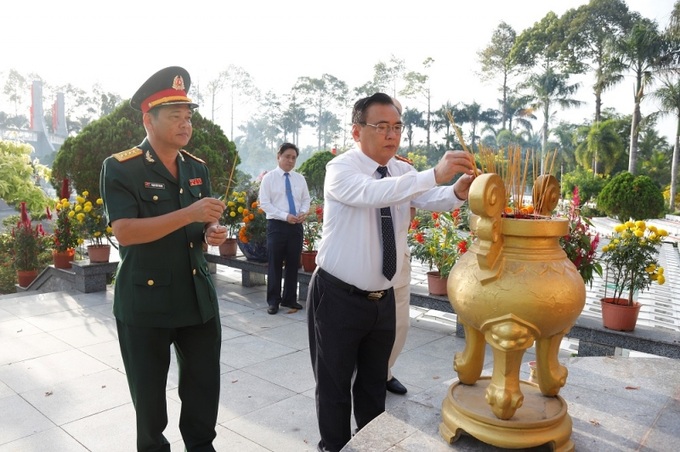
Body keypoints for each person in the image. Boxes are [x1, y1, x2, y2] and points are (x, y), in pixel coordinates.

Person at [307, 92, 476, 452]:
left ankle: (372, 444)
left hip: (382, 300)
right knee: (334, 384)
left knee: (372, 385)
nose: (391, 134)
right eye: (381, 126)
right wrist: (433, 173)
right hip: (338, 296)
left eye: (397, 127)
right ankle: (333, 447)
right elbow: (374, 193)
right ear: (356, 131)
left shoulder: (401, 170)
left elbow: (429, 199)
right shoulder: (341, 170)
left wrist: (457, 190)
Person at [100, 66, 227, 452]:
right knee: (150, 402)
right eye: (175, 116)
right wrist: (189, 215)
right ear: (148, 119)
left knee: (204, 389)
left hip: (196, 298)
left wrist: (210, 233)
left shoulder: (196, 167)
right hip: (146, 303)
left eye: (188, 116)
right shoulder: (121, 167)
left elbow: (198, 232)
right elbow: (125, 232)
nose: (185, 124)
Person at [258, 142, 311, 314]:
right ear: (278, 156)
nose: (290, 160)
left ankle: (289, 299)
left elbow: (305, 200)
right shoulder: (269, 178)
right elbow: (265, 203)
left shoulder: (300, 178)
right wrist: (284, 216)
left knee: (293, 263)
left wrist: (303, 212)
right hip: (277, 225)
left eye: (294, 158)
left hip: (296, 226)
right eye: (287, 156)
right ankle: (273, 301)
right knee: (274, 263)